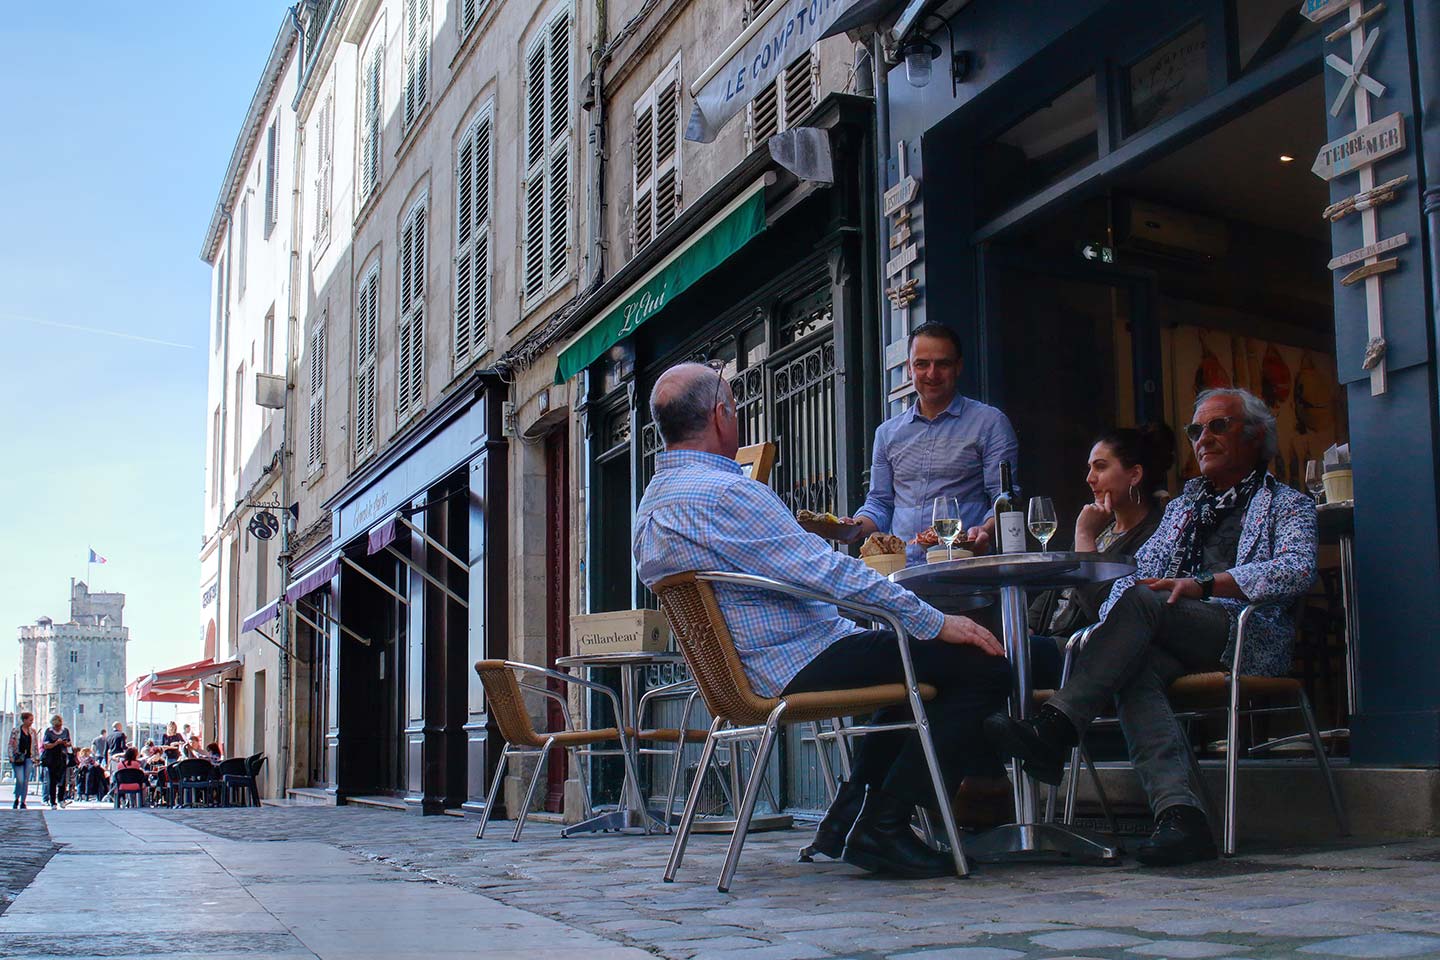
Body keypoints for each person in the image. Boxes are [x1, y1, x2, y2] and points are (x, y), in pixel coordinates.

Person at [633, 361, 1012, 879]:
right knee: (979, 663)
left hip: (747, 671)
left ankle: (850, 815)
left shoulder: (652, 502)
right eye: (736, 408)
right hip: (794, 662)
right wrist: (932, 621)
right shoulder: (728, 492)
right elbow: (825, 571)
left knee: (913, 669)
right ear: (721, 415)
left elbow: (813, 571)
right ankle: (885, 825)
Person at [986, 388, 1318, 867]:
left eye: (1217, 426)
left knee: (1143, 603)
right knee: (1136, 667)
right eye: (1196, 430)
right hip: (1172, 631)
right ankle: (1181, 818)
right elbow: (1139, 572)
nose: (1203, 438)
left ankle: (1057, 727)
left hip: (1243, 633)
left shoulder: (1288, 504)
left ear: (1256, 436)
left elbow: (1297, 568)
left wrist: (1208, 585)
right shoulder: (1185, 507)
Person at [846, 322, 1020, 562]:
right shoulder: (887, 433)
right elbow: (880, 503)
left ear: (958, 367)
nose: (932, 374)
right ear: (909, 369)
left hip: (965, 569)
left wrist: (985, 530)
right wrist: (852, 527)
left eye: (943, 364)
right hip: (902, 574)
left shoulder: (989, 423)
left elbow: (1003, 498)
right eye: (922, 364)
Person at [1026, 424, 1175, 687]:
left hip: (1086, 649)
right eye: (1090, 468)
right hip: (1050, 642)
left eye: (1101, 467)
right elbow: (1053, 592)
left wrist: (1083, 536)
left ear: (1134, 475)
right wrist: (1026, 629)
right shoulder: (1101, 528)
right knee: (993, 650)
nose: (1089, 478)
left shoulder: (1155, 536)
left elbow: (1109, 610)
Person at [40, 714, 73, 809]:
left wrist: (65, 743)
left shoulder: (65, 731)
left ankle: (61, 799)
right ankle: (52, 801)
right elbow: (46, 745)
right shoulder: (49, 732)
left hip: (62, 757)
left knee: (63, 779)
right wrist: (56, 743)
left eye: (59, 726)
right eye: (56, 726)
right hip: (52, 758)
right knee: (52, 780)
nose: (58, 728)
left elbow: (69, 743)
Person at [8, 711, 40, 809]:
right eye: (30, 720)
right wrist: (11, 756)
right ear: (24, 720)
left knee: (26, 780)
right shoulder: (16, 731)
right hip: (18, 758)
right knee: (20, 779)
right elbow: (11, 744)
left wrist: (37, 758)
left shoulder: (33, 732)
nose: (31, 722)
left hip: (28, 758)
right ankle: (16, 798)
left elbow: (35, 745)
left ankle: (23, 801)